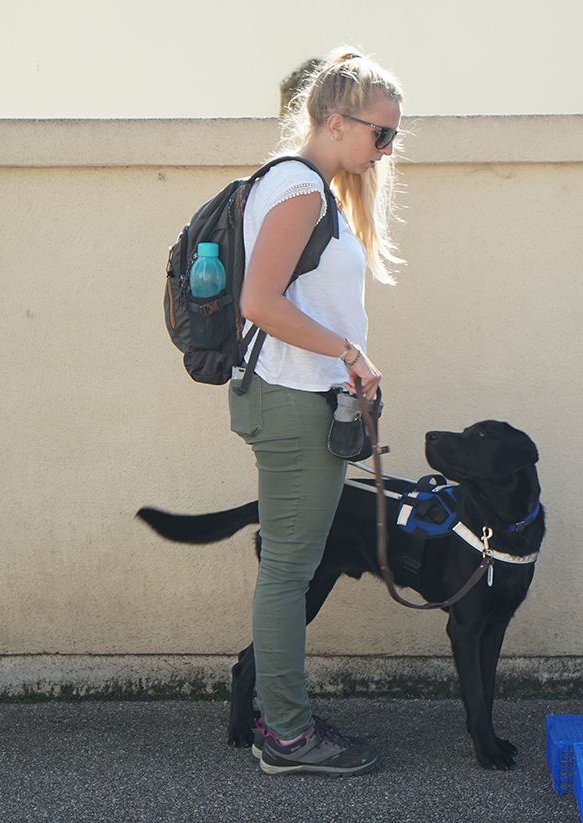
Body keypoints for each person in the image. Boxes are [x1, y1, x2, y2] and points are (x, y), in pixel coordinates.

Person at [228, 47, 403, 777]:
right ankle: (288, 738)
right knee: (290, 572)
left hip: (301, 397)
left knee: (290, 567)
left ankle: (281, 716)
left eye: (393, 135)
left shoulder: (310, 188)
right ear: (335, 121)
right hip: (293, 399)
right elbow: (258, 303)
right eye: (379, 133)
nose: (385, 149)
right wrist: (351, 354)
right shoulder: (300, 190)